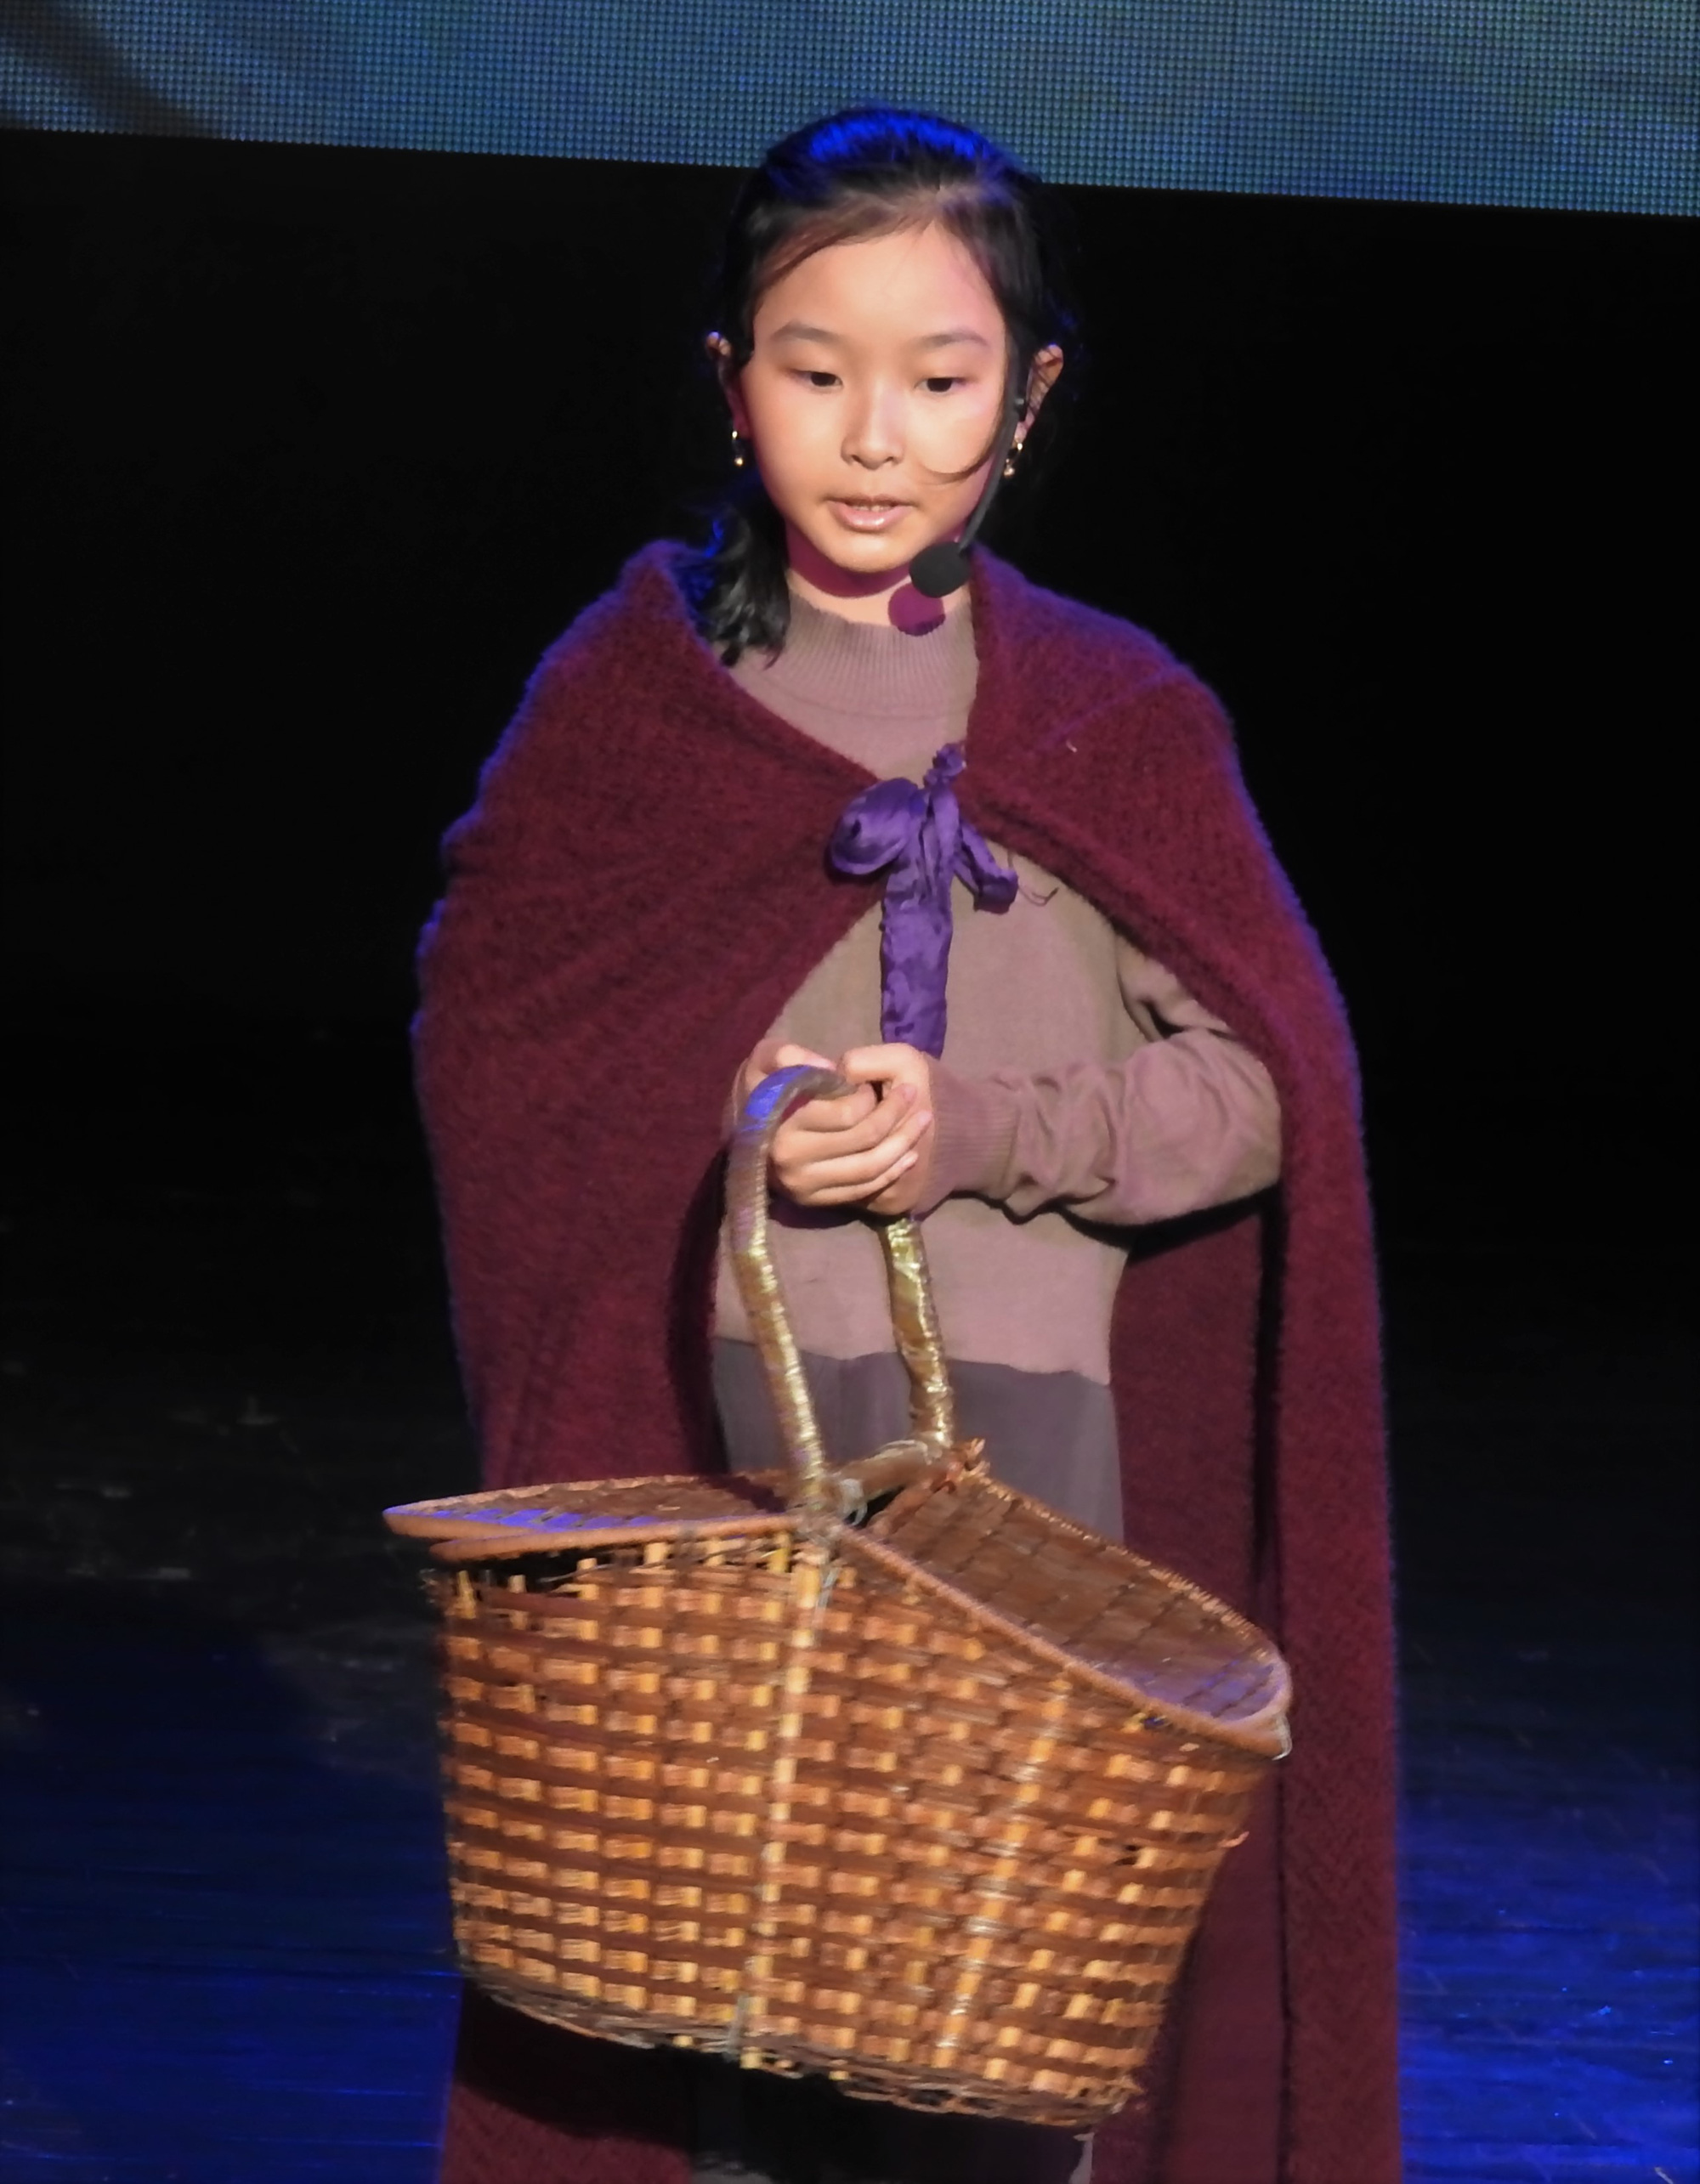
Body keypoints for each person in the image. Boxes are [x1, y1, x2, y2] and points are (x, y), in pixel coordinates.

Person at [415, 107, 1400, 2184]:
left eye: (941, 379)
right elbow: (510, 1043)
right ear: (727, 378)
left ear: (1027, 399)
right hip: (728, 1448)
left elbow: (1260, 1091)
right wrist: (727, 1115)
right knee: (737, 2016)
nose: (876, 437)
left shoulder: (1108, 718)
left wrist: (978, 1129)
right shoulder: (637, 703)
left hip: (1028, 1462)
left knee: (987, 2019)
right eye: (815, 367)